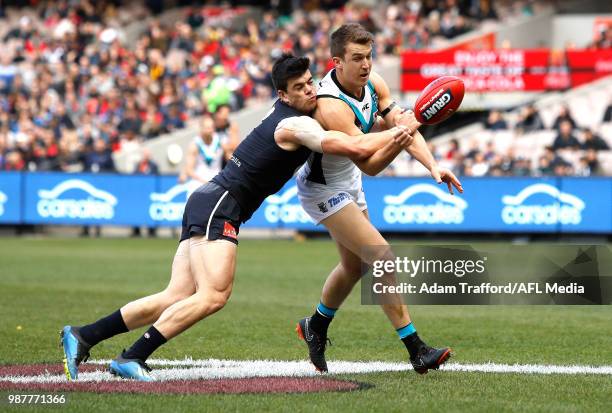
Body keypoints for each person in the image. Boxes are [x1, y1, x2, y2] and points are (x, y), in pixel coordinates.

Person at [60, 53, 413, 381]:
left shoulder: (295, 113)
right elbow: (350, 146)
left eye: (310, 82)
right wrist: (398, 131)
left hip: (210, 199)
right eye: (299, 88)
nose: (310, 90)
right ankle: (133, 357)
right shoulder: (294, 125)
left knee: (176, 295)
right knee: (214, 295)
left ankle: (83, 335)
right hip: (222, 204)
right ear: (283, 95)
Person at [295, 23, 462, 375]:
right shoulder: (330, 106)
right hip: (324, 188)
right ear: (337, 62)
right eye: (357, 58)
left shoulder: (375, 83)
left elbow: (400, 122)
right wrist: (404, 134)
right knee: (381, 257)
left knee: (355, 266)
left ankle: (316, 326)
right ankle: (416, 349)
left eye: (369, 56)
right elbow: (371, 163)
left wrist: (432, 165)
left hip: (348, 180)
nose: (366, 65)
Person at [182, 114, 225, 197]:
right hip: (199, 183)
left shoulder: (220, 142)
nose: (210, 130)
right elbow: (189, 169)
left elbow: (230, 157)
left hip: (216, 184)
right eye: (207, 128)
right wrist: (204, 181)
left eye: (212, 127)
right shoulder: (195, 145)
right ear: (201, 129)